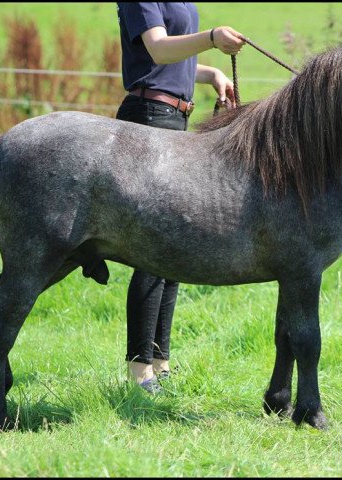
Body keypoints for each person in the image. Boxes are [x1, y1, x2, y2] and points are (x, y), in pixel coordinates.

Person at [115, 2, 245, 392]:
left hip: (174, 118)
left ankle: (159, 361)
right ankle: (140, 370)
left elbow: (173, 63)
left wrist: (211, 74)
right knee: (155, 249)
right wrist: (210, 39)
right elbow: (158, 50)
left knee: (172, 248)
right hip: (148, 118)